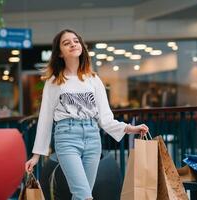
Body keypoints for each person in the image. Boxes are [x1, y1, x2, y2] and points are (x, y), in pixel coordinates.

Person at [25, 29, 149, 200]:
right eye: (66, 43)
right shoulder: (54, 81)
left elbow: (105, 118)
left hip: (92, 137)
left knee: (82, 196)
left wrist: (130, 128)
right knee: (84, 196)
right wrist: (37, 154)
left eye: (75, 41)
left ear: (81, 46)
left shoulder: (93, 79)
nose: (73, 44)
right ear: (60, 53)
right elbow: (45, 118)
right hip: (67, 138)